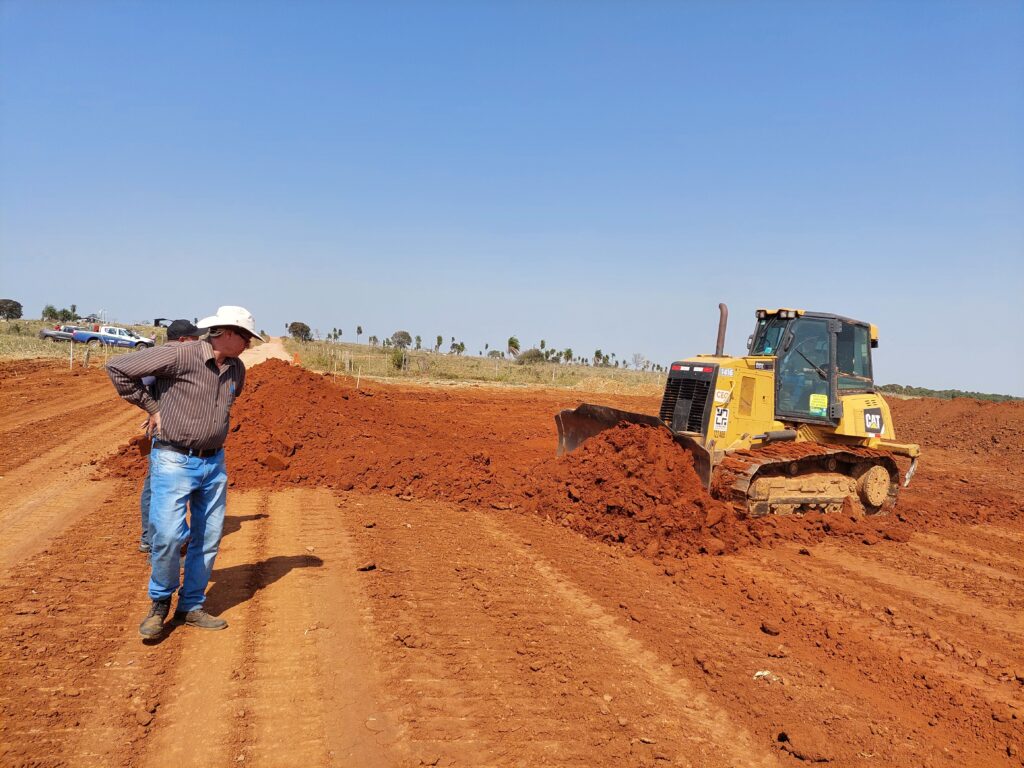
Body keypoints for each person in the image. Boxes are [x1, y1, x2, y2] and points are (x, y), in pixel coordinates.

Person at [106, 306, 262, 639]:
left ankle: (190, 607)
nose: (249, 344)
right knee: (168, 536)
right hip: (174, 458)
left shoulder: (237, 369)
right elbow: (118, 368)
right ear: (227, 333)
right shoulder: (181, 355)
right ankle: (159, 603)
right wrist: (153, 408)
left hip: (214, 463)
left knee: (207, 539)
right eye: (246, 337)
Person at [137, 319, 201, 553]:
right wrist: (153, 410)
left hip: (179, 435)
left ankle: (152, 537)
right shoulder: (164, 358)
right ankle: (151, 539)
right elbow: (140, 381)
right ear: (183, 340)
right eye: (195, 338)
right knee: (156, 487)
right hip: (165, 438)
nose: (198, 341)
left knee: (159, 486)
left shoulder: (178, 357)